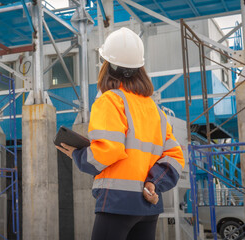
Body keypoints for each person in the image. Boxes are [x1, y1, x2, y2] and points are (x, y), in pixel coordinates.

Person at [56, 27, 185, 240]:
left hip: (117, 204)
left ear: (108, 66)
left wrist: (77, 155)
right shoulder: (156, 111)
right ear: (140, 67)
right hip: (148, 205)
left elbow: (109, 149)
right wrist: (154, 182)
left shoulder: (110, 100)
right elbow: (175, 157)